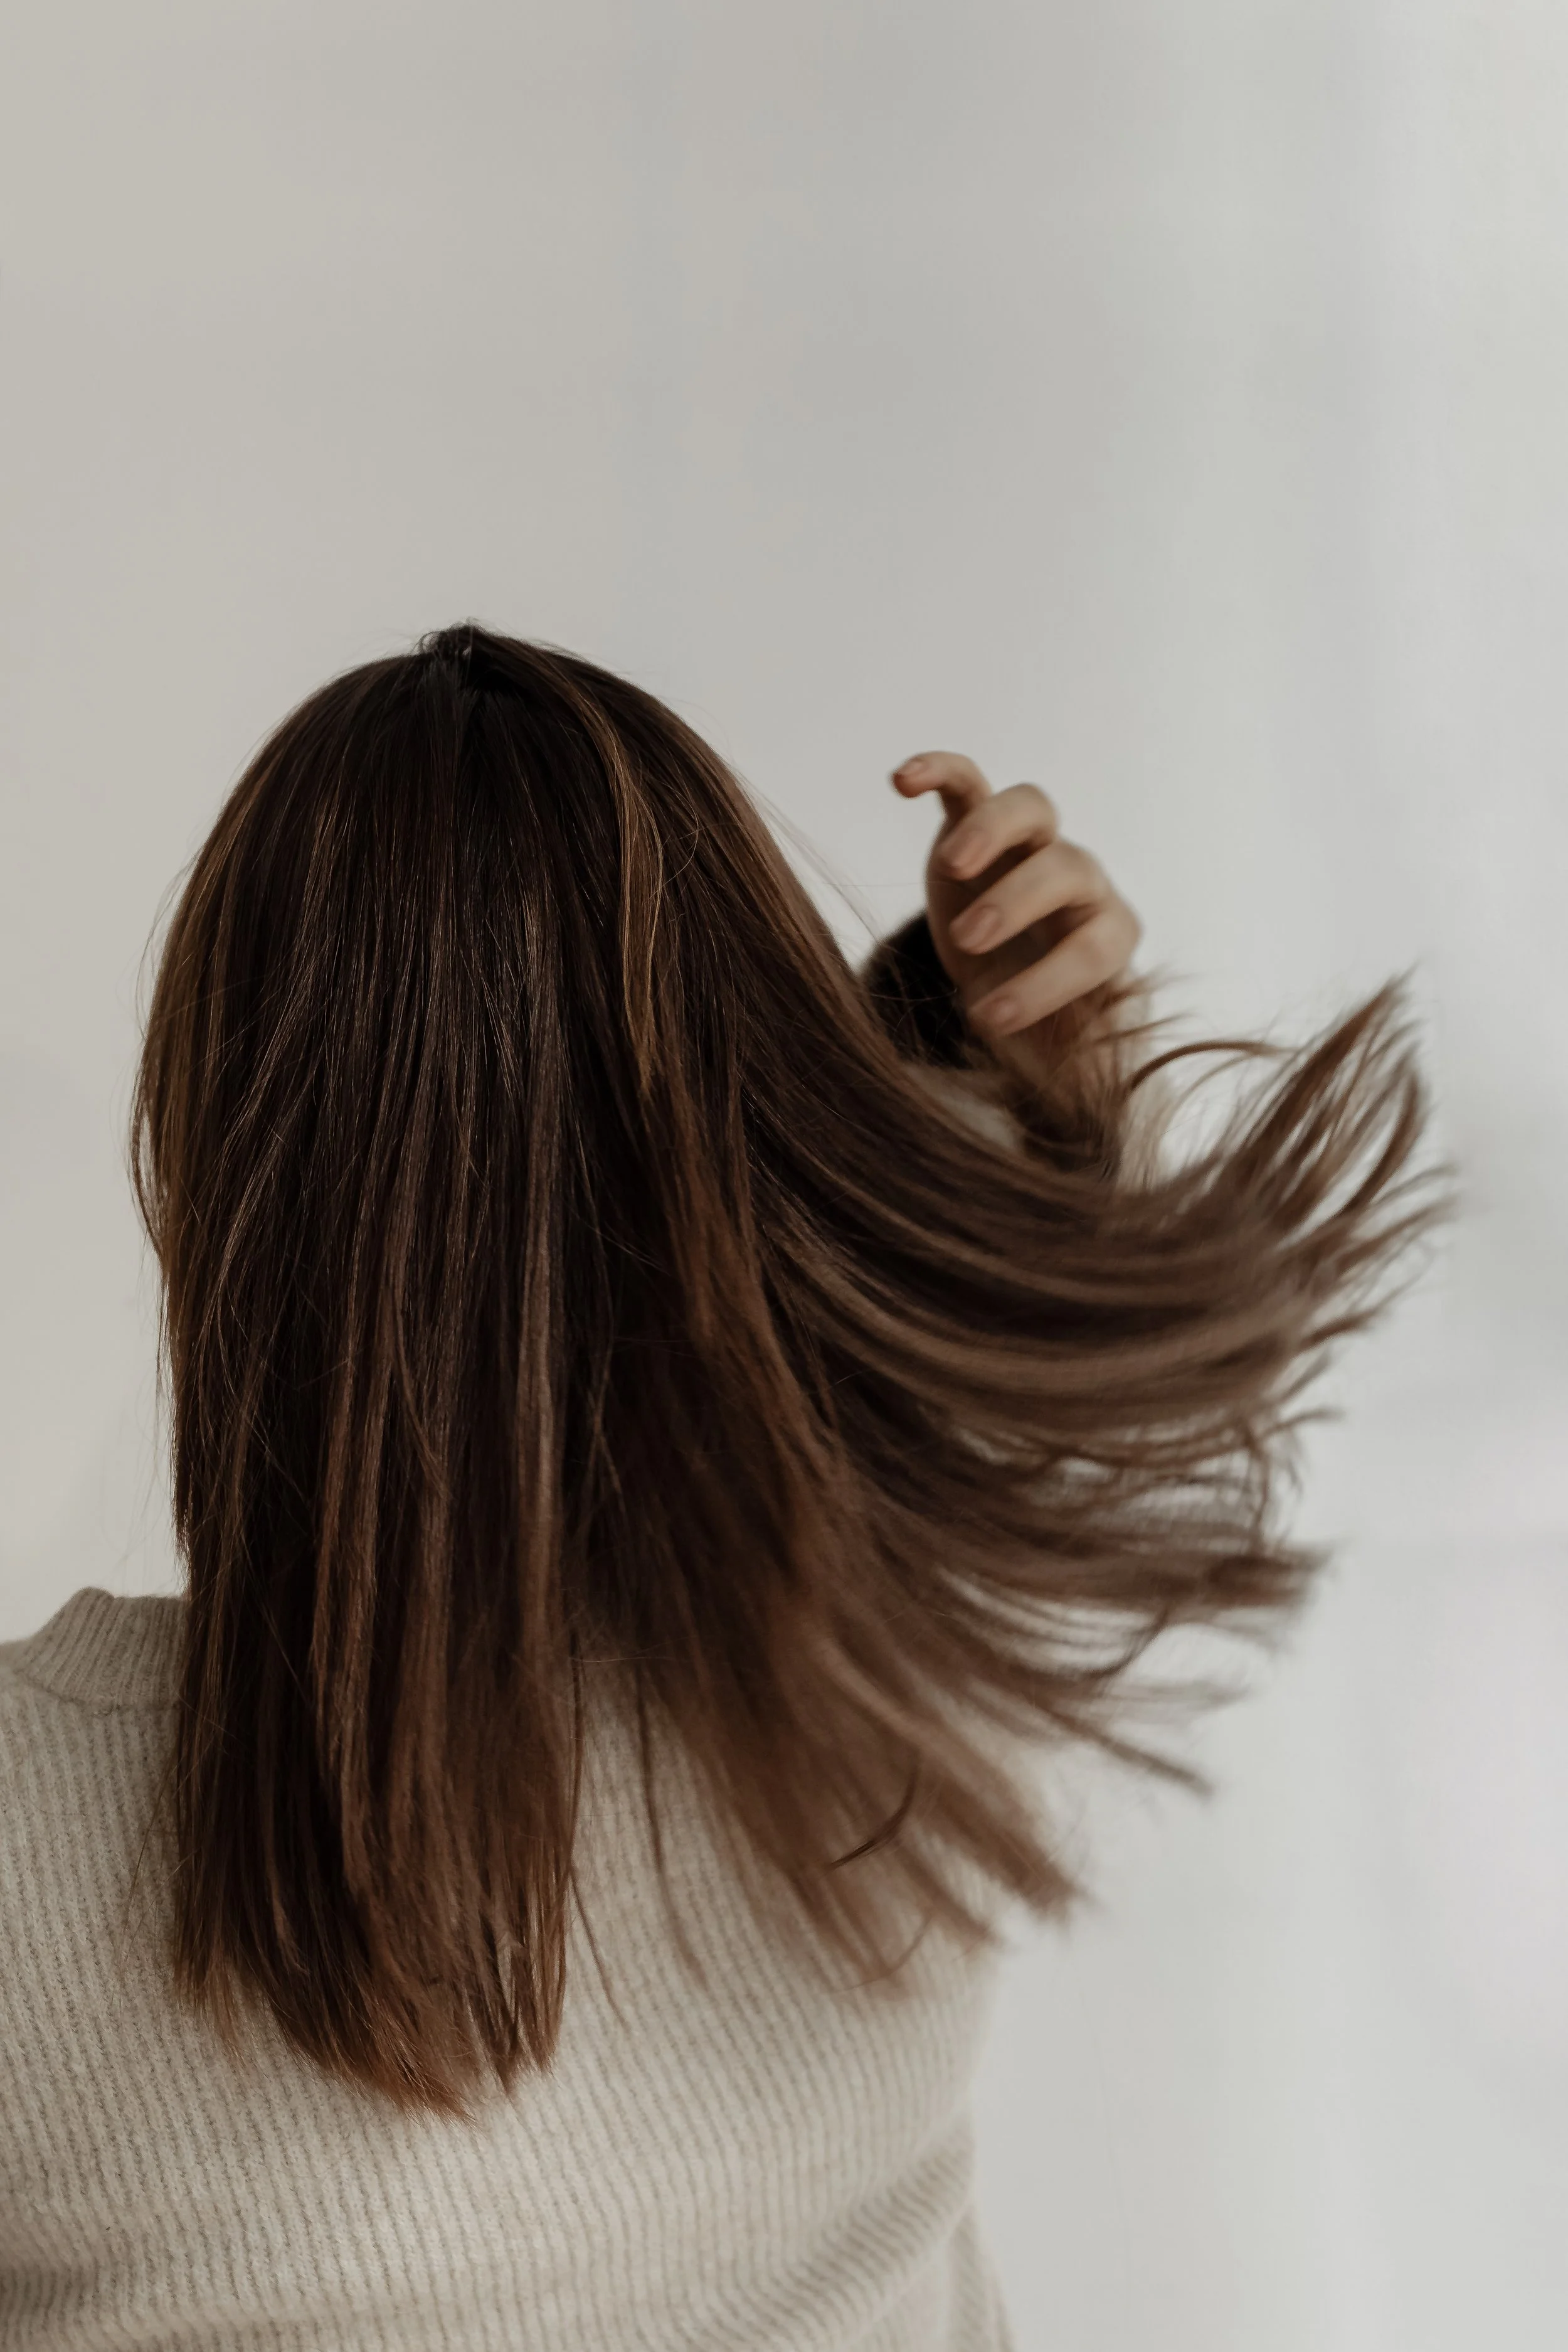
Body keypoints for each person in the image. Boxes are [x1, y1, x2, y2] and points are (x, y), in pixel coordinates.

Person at [0, 625, 1446, 2349]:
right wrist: (1017, 1088)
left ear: (229, 1161)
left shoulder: (30, 1838)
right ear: (767, 1140)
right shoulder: (893, 1670)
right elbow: (927, 1372)